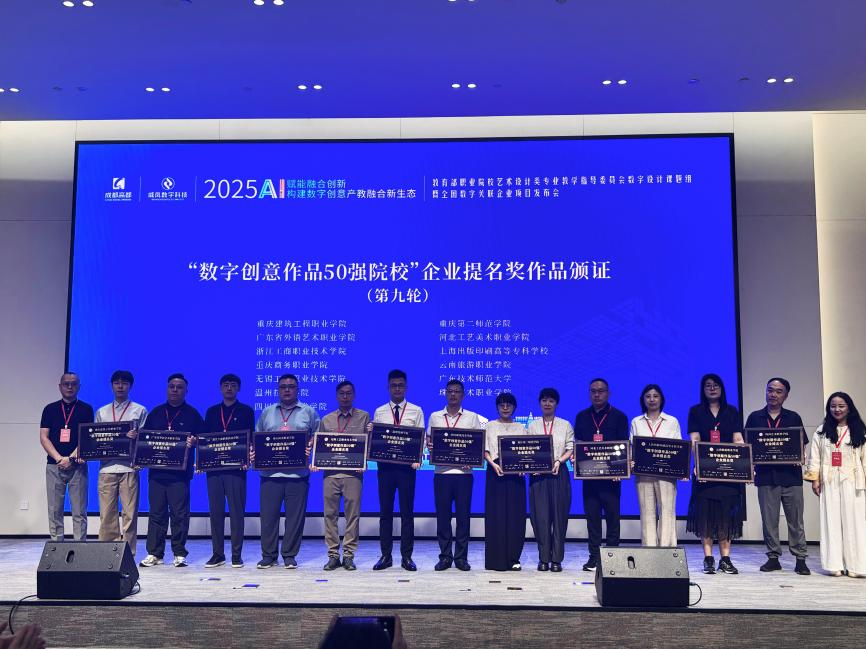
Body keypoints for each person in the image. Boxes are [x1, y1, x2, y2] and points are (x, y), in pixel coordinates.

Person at [254, 373, 320, 569]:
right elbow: (258, 440)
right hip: (270, 475)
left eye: (291, 386)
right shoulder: (267, 412)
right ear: (278, 389)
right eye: (283, 387)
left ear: (297, 389)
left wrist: (311, 445)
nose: (287, 390)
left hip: (298, 475)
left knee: (295, 519)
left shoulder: (309, 412)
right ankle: (269, 556)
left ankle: (289, 555)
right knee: (268, 518)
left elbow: (318, 437)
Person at [745, 377, 810, 575]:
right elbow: (747, 447)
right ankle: (773, 558)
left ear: (786, 395)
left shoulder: (793, 417)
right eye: (770, 390)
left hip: (791, 477)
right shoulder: (755, 417)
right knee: (769, 520)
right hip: (766, 477)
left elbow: (801, 445)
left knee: (795, 520)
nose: (773, 394)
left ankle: (800, 559)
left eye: (778, 391)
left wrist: (801, 456)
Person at [138, 373, 202, 568]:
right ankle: (154, 553)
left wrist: (195, 441)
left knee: (179, 515)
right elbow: (144, 440)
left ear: (186, 391)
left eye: (179, 387)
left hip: (180, 476)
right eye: (172, 386)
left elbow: (204, 439)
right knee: (156, 514)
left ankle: (179, 553)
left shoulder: (192, 414)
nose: (175, 390)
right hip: (157, 474)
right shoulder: (156, 413)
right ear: (167, 389)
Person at [686, 373, 744, 575]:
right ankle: (708, 558)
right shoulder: (696, 411)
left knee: (726, 515)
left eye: (716, 385)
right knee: (706, 515)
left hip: (728, 472)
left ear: (722, 388)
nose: (712, 388)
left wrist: (744, 464)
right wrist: (698, 463)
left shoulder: (731, 411)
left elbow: (738, 439)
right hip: (705, 471)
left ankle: (725, 559)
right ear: (703, 390)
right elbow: (695, 440)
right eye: (708, 385)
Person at [804, 392, 866, 577]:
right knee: (830, 521)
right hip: (829, 481)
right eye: (833, 406)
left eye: (841, 406)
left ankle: (857, 566)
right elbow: (815, 457)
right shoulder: (821, 431)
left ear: (849, 408)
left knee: (855, 522)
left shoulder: (859, 430)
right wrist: (815, 479)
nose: (837, 409)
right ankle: (834, 564)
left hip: (853, 481)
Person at [370, 369, 424, 571]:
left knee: (406, 513)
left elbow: (420, 439)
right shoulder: (380, 411)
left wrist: (417, 458)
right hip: (385, 468)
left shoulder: (416, 411)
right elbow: (377, 440)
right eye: (394, 385)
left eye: (401, 385)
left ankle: (406, 557)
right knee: (385, 512)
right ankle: (386, 556)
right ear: (388, 387)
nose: (397, 389)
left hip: (406, 469)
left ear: (406, 387)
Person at [573, 378, 629, 571]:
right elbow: (578, 444)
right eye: (593, 391)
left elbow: (624, 446)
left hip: (612, 479)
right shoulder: (582, 416)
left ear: (608, 393)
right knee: (592, 519)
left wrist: (621, 470)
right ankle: (594, 557)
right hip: (589, 478)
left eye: (601, 391)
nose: (597, 394)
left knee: (613, 518)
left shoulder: (619, 417)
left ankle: (612, 557)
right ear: (589, 393)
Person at [428, 379, 482, 571]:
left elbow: (477, 444)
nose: (453, 394)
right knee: (443, 517)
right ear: (445, 393)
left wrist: (472, 458)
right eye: (450, 391)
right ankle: (445, 557)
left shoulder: (472, 417)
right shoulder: (435, 416)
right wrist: (430, 445)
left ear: (463, 395)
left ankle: (461, 558)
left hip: (464, 474)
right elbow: (429, 441)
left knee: (463, 517)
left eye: (457, 391)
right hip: (441, 473)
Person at [315, 380, 369, 571]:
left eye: (348, 393)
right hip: (330, 475)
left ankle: (348, 555)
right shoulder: (327, 419)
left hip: (353, 475)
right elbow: (320, 446)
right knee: (329, 515)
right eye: (342, 393)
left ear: (354, 395)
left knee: (352, 516)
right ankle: (332, 555)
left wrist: (364, 462)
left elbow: (368, 444)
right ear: (337, 396)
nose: (345, 397)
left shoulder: (364, 417)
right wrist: (316, 462)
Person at [202, 373, 254, 568]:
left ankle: (236, 555)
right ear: (220, 388)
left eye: (233, 385)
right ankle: (217, 554)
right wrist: (202, 462)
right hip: (214, 470)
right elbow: (205, 439)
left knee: (236, 513)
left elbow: (250, 438)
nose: (229, 388)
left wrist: (247, 457)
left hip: (236, 470)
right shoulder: (212, 412)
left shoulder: (246, 411)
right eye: (225, 385)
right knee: (215, 513)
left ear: (238, 388)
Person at [94, 370, 148, 557]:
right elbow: (96, 440)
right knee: (107, 513)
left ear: (130, 386)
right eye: (116, 383)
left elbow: (144, 441)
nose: (120, 386)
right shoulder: (101, 412)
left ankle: (128, 554)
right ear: (111, 386)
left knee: (130, 514)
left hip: (129, 468)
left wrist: (136, 437)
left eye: (124, 383)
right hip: (107, 468)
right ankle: (107, 553)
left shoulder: (139, 410)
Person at [39, 372, 94, 542]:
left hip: (78, 466)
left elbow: (87, 437)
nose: (70, 387)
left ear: (79, 387)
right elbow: (44, 437)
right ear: (60, 386)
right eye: (66, 384)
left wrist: (70, 458)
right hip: (54, 465)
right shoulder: (49, 409)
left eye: (74, 384)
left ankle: (80, 546)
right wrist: (58, 458)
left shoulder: (86, 409)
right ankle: (57, 545)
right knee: (54, 510)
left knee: (79, 511)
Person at [527, 388, 573, 572]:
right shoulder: (533, 426)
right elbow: (527, 449)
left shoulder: (565, 424)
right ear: (540, 403)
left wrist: (559, 461)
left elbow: (570, 448)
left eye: (551, 401)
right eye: (544, 400)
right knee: (540, 518)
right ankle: (543, 558)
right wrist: (532, 466)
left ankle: (557, 559)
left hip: (559, 473)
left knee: (559, 517)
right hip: (538, 476)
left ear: (556, 404)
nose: (547, 404)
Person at [630, 384, 682, 548]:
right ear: (643, 400)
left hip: (667, 474)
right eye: (648, 396)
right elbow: (632, 447)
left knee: (667, 510)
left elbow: (679, 449)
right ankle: (649, 550)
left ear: (661, 399)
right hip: (643, 474)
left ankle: (667, 549)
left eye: (655, 396)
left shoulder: (672, 421)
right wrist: (631, 462)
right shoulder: (636, 422)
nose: (652, 399)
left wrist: (681, 469)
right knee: (647, 512)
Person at [484, 392, 527, 571]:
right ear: (497, 407)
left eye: (509, 404)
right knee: (496, 516)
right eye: (502, 404)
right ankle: (495, 560)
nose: (505, 408)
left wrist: (523, 466)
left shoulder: (521, 428)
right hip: (496, 472)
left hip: (516, 476)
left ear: (514, 407)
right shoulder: (489, 426)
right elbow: (485, 451)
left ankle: (513, 558)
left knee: (515, 517)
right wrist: (493, 464)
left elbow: (527, 453)